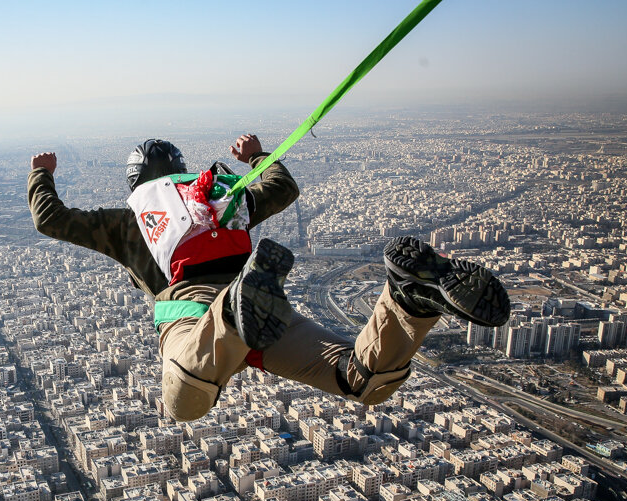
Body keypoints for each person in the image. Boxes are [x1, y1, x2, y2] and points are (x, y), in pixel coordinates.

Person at [28, 135, 509, 422]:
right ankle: (410, 300)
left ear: (135, 185)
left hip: (199, 313)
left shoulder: (127, 223)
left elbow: (51, 219)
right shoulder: (215, 202)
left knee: (184, 395)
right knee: (361, 382)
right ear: (178, 171)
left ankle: (234, 314)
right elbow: (282, 188)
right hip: (264, 307)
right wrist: (256, 157)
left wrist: (42, 174)